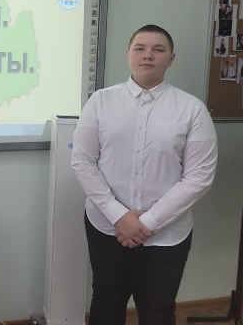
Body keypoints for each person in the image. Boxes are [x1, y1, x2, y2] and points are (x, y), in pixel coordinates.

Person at [71, 24, 217, 325]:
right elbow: (83, 161)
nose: (148, 55)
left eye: (158, 50)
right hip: (106, 226)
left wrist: (147, 223)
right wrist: (119, 216)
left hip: (167, 232)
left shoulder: (192, 109)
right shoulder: (100, 101)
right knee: (107, 302)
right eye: (140, 48)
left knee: (158, 310)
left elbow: (198, 177)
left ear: (171, 58)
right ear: (128, 54)